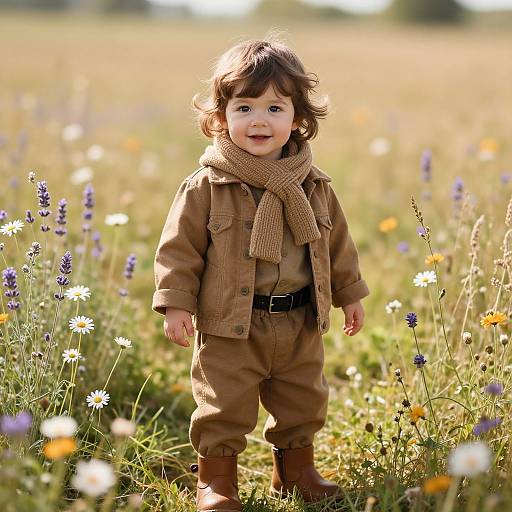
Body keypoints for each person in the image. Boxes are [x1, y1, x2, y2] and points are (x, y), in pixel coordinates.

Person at [152, 36, 370, 511]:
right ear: (220, 116)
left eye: (275, 108)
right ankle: (217, 483)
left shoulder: (313, 185)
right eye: (244, 107)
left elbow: (336, 245)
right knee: (223, 404)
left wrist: (349, 294)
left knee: (303, 399)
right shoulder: (208, 185)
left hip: (297, 321)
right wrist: (175, 302)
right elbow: (179, 250)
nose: (258, 121)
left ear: (299, 119)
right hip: (230, 324)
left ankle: (296, 473)